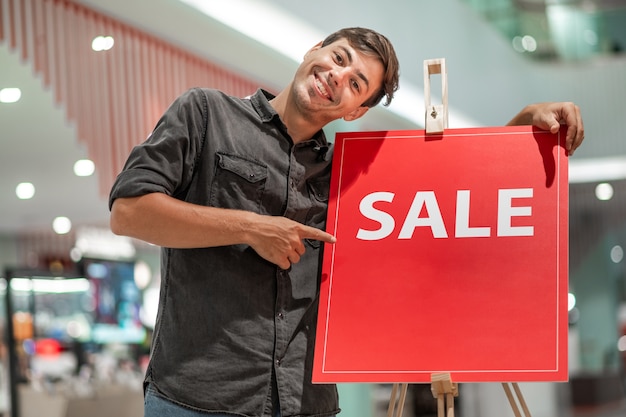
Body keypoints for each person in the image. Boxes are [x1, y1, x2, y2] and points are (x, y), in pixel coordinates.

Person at [109, 27, 584, 417]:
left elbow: (446, 197)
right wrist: (251, 227)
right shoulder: (206, 113)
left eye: (357, 83)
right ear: (313, 51)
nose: (337, 77)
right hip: (198, 399)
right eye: (337, 59)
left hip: (305, 403)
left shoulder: (349, 172)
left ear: (355, 110)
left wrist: (521, 131)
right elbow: (129, 211)